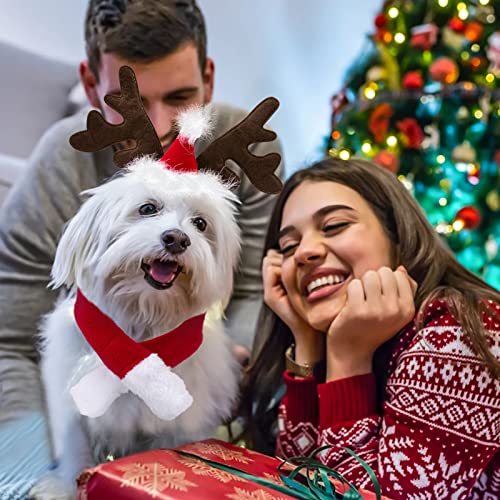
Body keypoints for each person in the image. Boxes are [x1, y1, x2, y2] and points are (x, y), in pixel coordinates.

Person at [0, 0, 283, 492]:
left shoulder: (249, 148)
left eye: (181, 97)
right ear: (89, 85)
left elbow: (250, 289)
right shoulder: (59, 162)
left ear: (209, 78)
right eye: (126, 100)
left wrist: (219, 388)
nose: (159, 126)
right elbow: (8, 337)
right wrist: (28, 477)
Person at [240, 158, 499, 499]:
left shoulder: (458, 330)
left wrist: (348, 360)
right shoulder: (357, 334)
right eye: (288, 247)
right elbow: (295, 483)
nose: (304, 252)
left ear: (396, 234)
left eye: (333, 226)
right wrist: (305, 341)